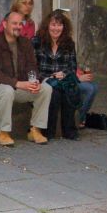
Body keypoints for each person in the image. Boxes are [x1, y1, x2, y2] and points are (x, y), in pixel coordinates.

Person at [0, 11, 53, 146]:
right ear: (5, 24)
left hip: (19, 86)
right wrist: (18, 83)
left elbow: (32, 66)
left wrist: (34, 81)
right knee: (7, 90)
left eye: (21, 24)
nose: (18, 26)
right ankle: (2, 133)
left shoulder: (25, 43)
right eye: (14, 23)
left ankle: (35, 130)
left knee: (46, 88)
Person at [33, 9, 90, 140]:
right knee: (55, 92)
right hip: (45, 78)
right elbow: (32, 66)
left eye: (59, 25)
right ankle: (49, 131)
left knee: (68, 88)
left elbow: (72, 66)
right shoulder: (37, 42)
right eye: (53, 25)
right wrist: (50, 76)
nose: (56, 28)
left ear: (64, 27)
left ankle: (69, 130)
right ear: (47, 25)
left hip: (63, 79)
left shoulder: (69, 43)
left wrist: (63, 74)